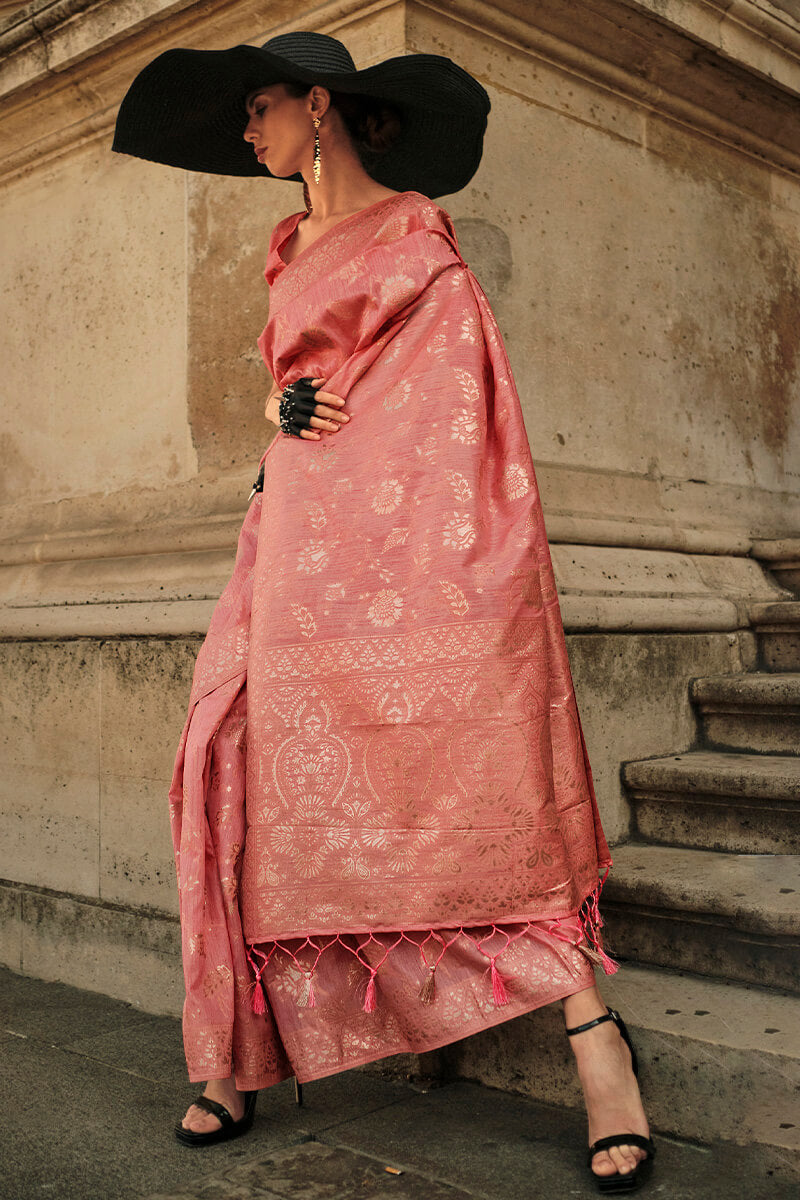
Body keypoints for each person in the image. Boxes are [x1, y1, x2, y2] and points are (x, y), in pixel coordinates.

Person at [113, 30, 655, 1192]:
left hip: (404, 535)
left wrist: (351, 415)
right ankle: (236, 1054)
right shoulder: (284, 246)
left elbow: (457, 387)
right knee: (229, 750)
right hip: (295, 534)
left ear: (320, 106)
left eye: (258, 109)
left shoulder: (414, 233)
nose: (245, 132)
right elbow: (293, 376)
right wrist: (279, 402)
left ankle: (597, 1048)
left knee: (473, 769)